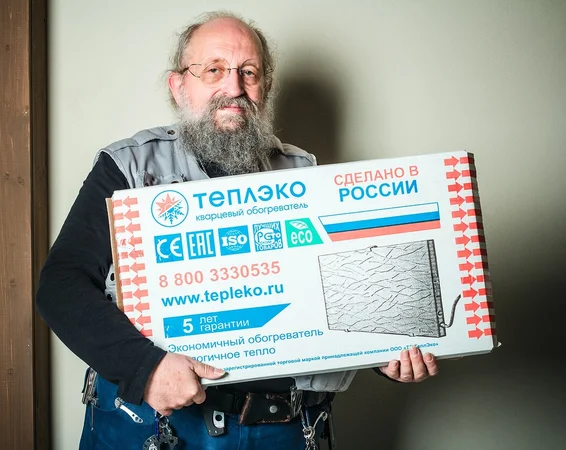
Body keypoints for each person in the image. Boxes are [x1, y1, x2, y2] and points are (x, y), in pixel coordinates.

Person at [36, 11, 439, 450]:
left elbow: (334, 292)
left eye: (249, 72)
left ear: (265, 88)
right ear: (178, 86)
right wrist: (144, 367)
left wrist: (385, 350)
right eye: (214, 70)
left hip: (286, 428)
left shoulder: (305, 173)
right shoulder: (130, 167)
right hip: (159, 427)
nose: (233, 88)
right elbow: (61, 285)